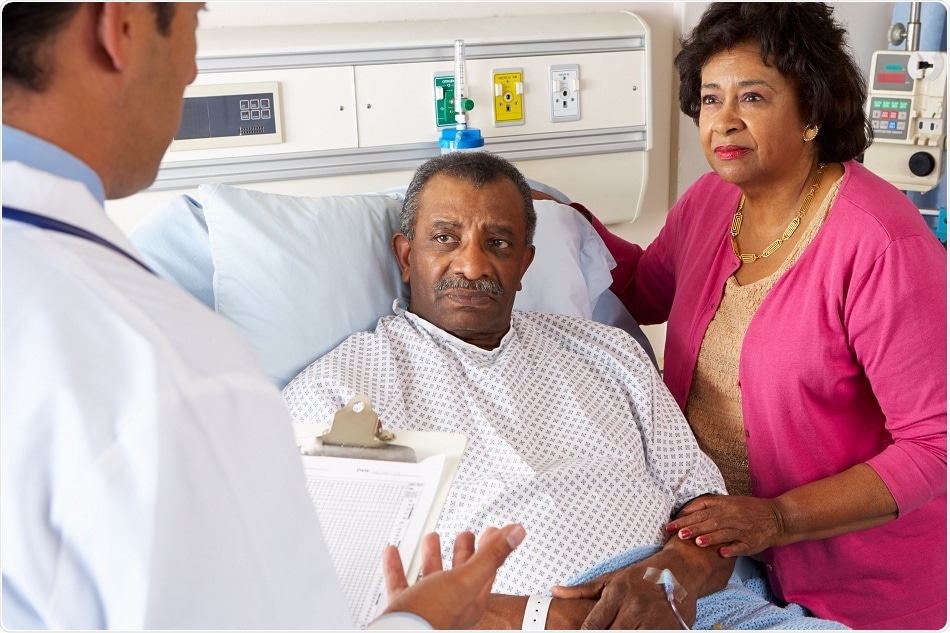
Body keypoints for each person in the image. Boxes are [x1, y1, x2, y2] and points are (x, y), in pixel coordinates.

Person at [1, 3, 525, 629]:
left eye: (498, 242)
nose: (192, 71)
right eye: (194, 20)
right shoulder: (175, 370)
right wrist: (421, 620)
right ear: (122, 27)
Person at [282, 150, 850, 630]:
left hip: (699, 608)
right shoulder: (340, 392)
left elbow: (708, 514)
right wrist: (555, 617)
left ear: (525, 263)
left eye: (498, 243)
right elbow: (340, 593)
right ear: (407, 256)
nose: (472, 264)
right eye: (445, 238)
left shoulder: (608, 351)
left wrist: (666, 579)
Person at [572, 3, 946, 629]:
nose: (724, 120)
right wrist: (560, 215)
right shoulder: (713, 201)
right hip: (726, 561)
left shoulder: (883, 244)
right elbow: (643, 290)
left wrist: (779, 517)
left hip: (855, 588)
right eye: (710, 99)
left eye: (752, 96)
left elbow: (935, 447)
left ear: (812, 111)